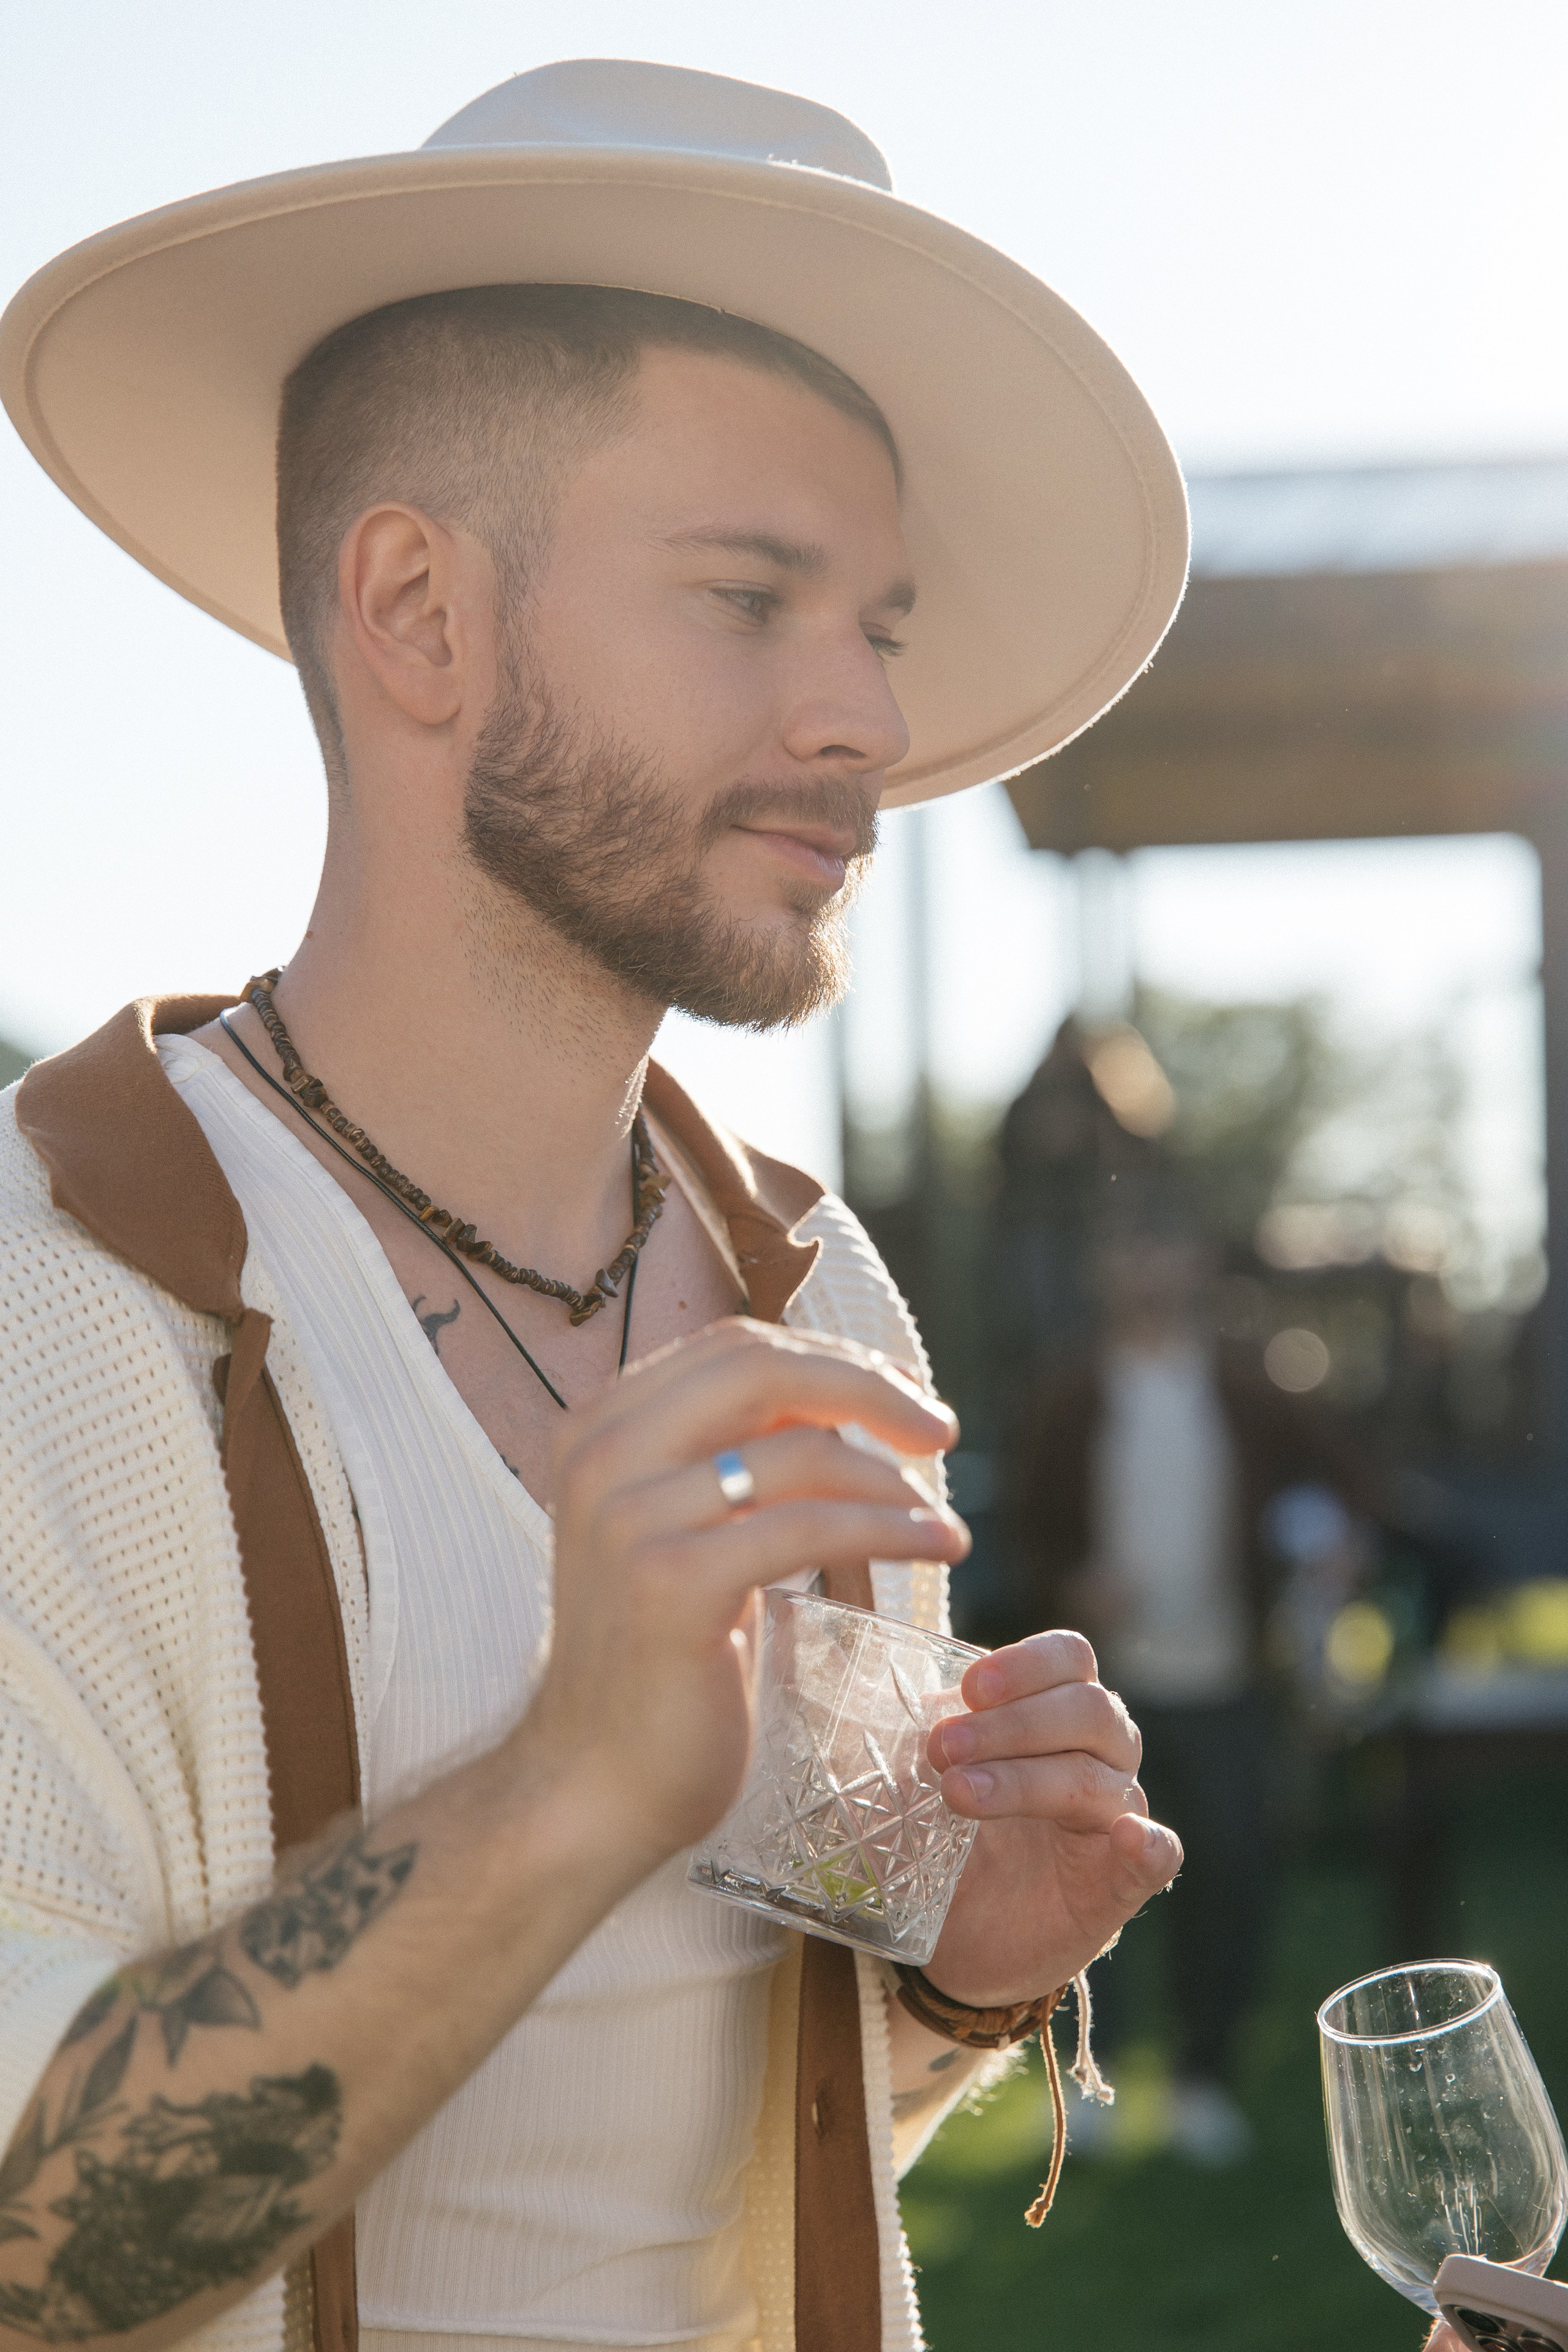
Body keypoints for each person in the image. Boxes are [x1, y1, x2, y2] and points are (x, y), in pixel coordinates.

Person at [0, 59, 1189, 2352]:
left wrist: (952, 1978)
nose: (866, 716)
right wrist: (567, 1786)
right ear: (419, 612)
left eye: (882, 624)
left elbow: (659, 2125)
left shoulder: (815, 1289)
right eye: (752, 596)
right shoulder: (54, 1307)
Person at [1009, 1180, 1376, 2165]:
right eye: (1125, 1250)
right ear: (1103, 1269)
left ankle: (1202, 2085)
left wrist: (1335, 1543)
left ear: (1196, 1264)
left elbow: (1345, 1482)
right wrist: (1077, 1581)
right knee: (1090, 1888)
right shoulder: (1072, 1391)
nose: (1145, 1270)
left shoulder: (1250, 1388)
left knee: (1233, 1878)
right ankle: (1094, 2087)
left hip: (1230, 1683)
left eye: (1161, 1247)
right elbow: (1033, 1527)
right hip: (1108, 1692)